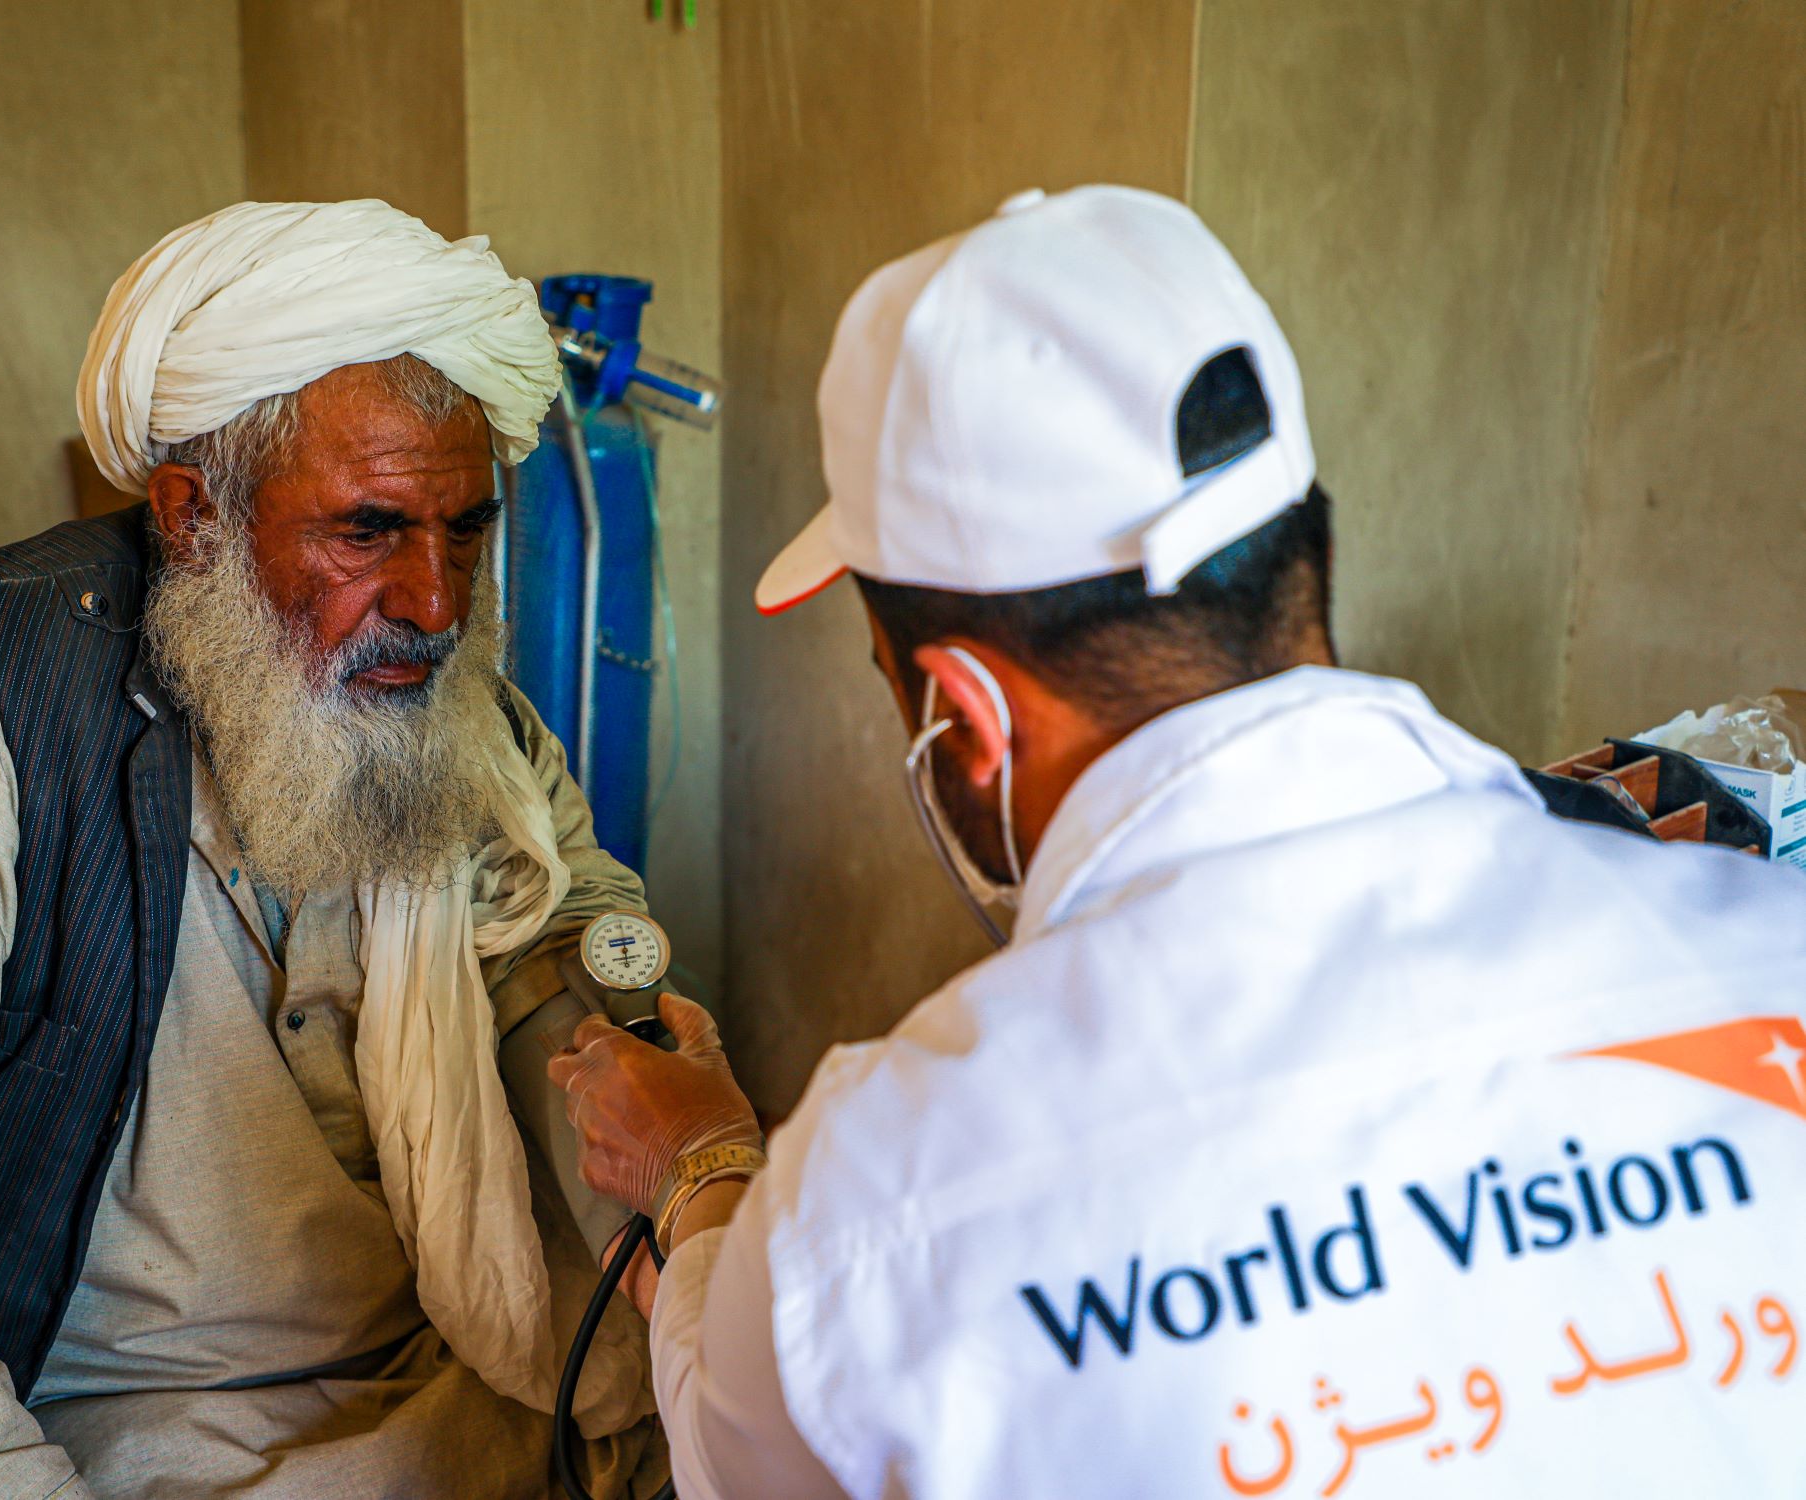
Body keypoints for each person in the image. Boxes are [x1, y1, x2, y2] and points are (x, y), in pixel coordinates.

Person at [550, 184, 1806, 1497]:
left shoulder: (879, 1201)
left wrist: (704, 1177)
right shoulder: (1762, 950)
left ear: (963, 717)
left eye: (888, 683)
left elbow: (742, 1458)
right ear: (1292, 561)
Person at [0, 200, 667, 1498]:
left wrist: (628, 1042)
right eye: (365, 531)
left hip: (450, 1382)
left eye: (466, 531)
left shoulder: (453, 717)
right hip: (98, 1423)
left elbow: (568, 940)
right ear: (195, 515)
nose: (435, 603)